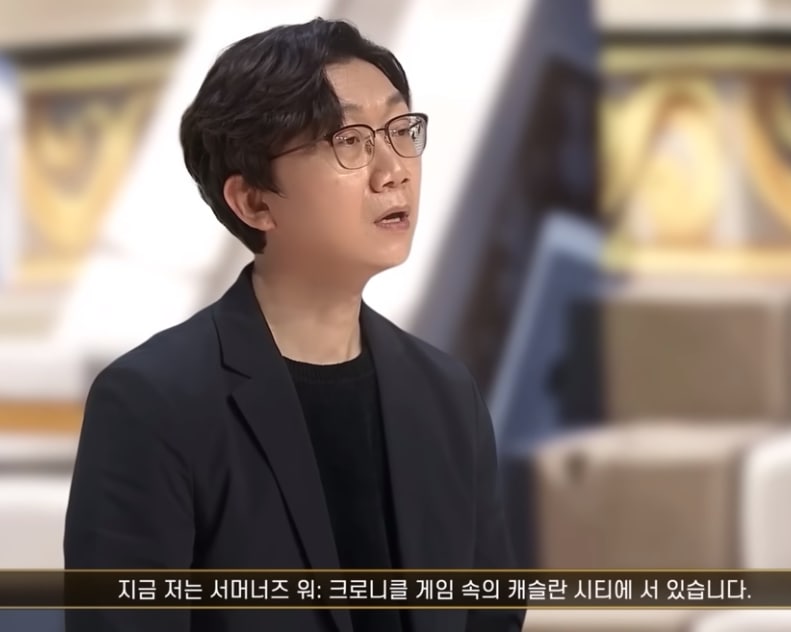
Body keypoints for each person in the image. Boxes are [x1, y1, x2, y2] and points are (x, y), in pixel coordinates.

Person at [64, 17, 524, 632]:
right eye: (350, 141)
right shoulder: (153, 403)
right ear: (254, 201)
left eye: (400, 130)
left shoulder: (446, 394)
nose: (394, 170)